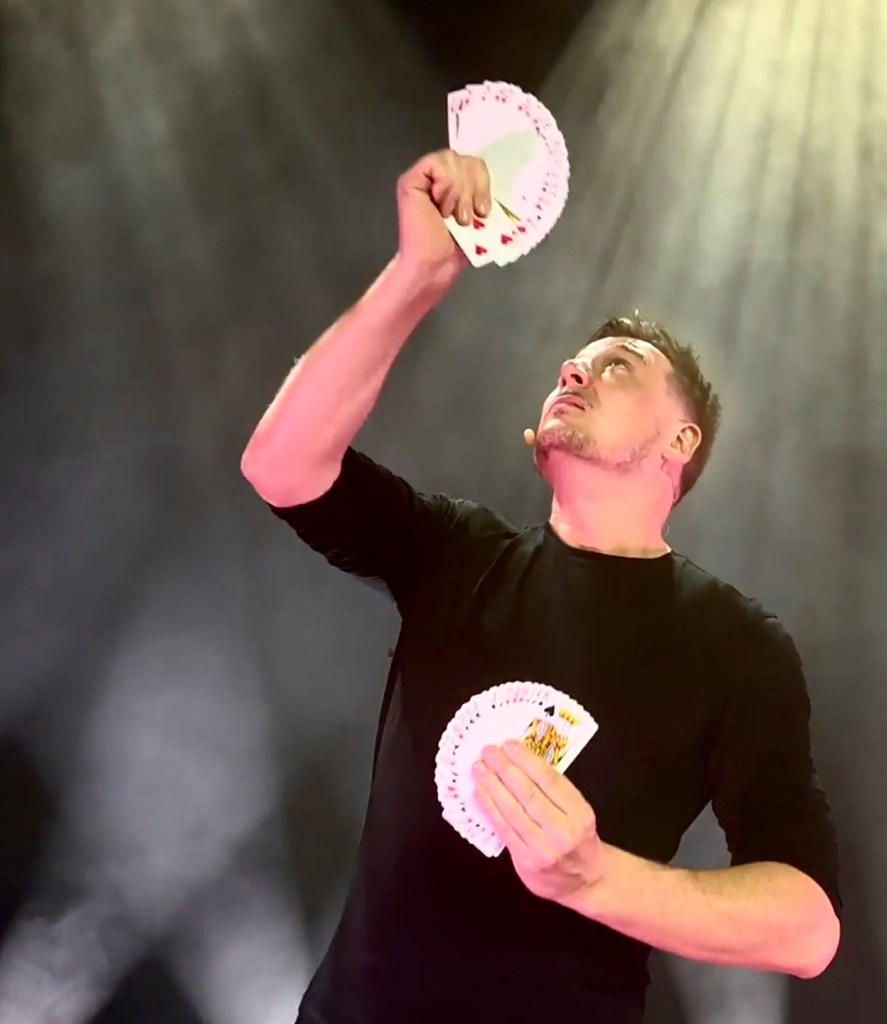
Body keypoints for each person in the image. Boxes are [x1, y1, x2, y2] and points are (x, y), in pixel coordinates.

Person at [241, 149, 842, 1024]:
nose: (573, 372)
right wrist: (417, 274)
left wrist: (593, 877)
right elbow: (282, 464)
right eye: (571, 363)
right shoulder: (457, 551)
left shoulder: (737, 644)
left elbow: (808, 928)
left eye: (617, 366)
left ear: (681, 443)